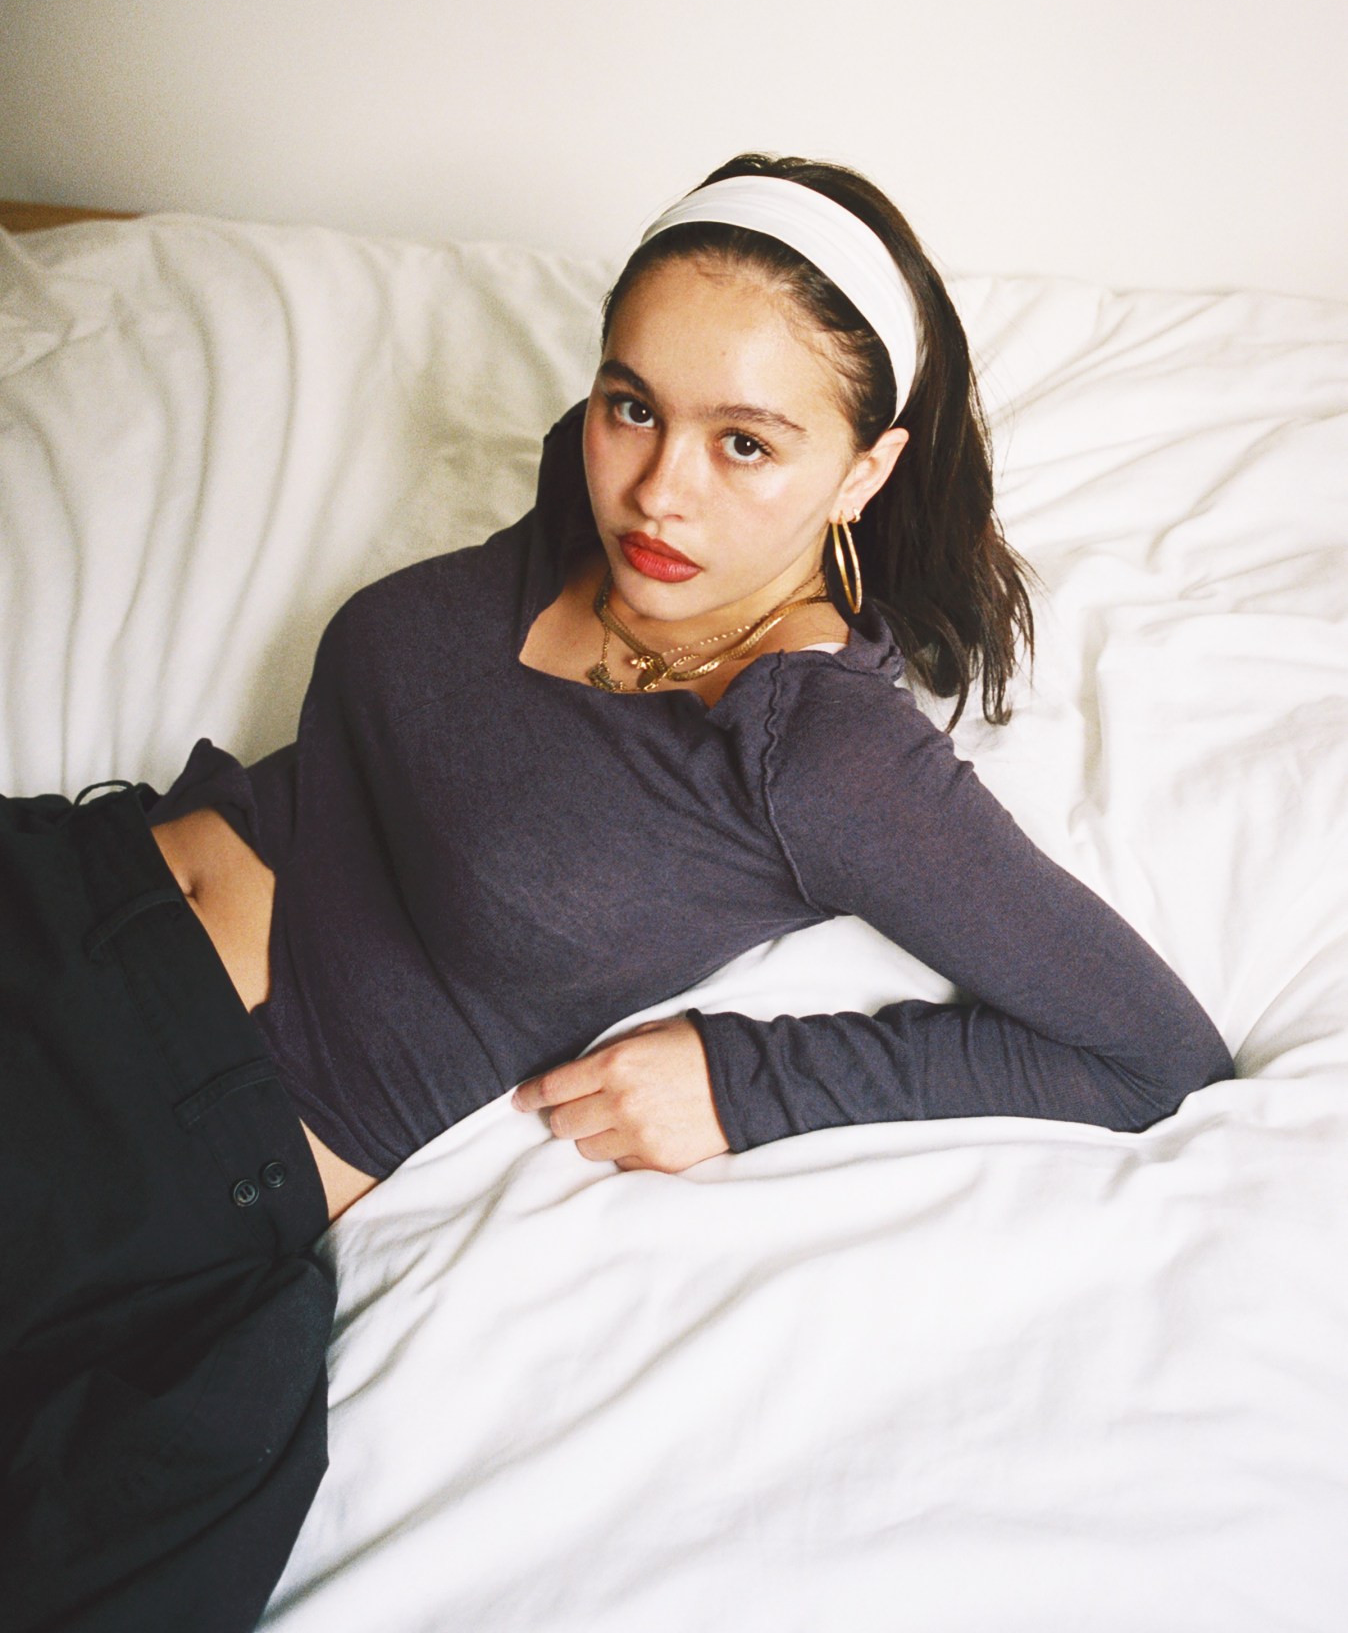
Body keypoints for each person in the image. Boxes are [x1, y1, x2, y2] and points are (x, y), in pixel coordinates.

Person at [1, 154, 1234, 1631]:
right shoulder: (594, 499)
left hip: (165, 1134)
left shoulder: (823, 750)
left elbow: (1154, 1049)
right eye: (632, 403)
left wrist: (750, 1080)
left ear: (866, 467)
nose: (658, 489)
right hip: (67, 884)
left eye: (748, 445)